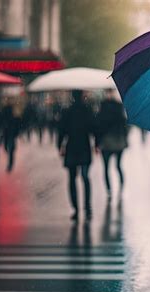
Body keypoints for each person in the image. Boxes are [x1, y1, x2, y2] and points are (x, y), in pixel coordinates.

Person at [58, 90, 96, 220]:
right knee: (85, 178)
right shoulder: (87, 110)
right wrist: (96, 143)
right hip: (84, 147)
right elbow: (93, 128)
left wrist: (59, 146)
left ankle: (76, 209)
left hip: (71, 147)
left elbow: (61, 130)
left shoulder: (67, 111)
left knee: (72, 179)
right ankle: (87, 208)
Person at [96, 89, 128, 200]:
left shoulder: (103, 107)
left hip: (106, 142)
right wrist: (125, 139)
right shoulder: (119, 107)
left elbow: (98, 127)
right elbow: (124, 124)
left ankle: (109, 190)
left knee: (106, 168)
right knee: (118, 165)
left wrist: (97, 143)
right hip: (118, 141)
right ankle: (122, 184)